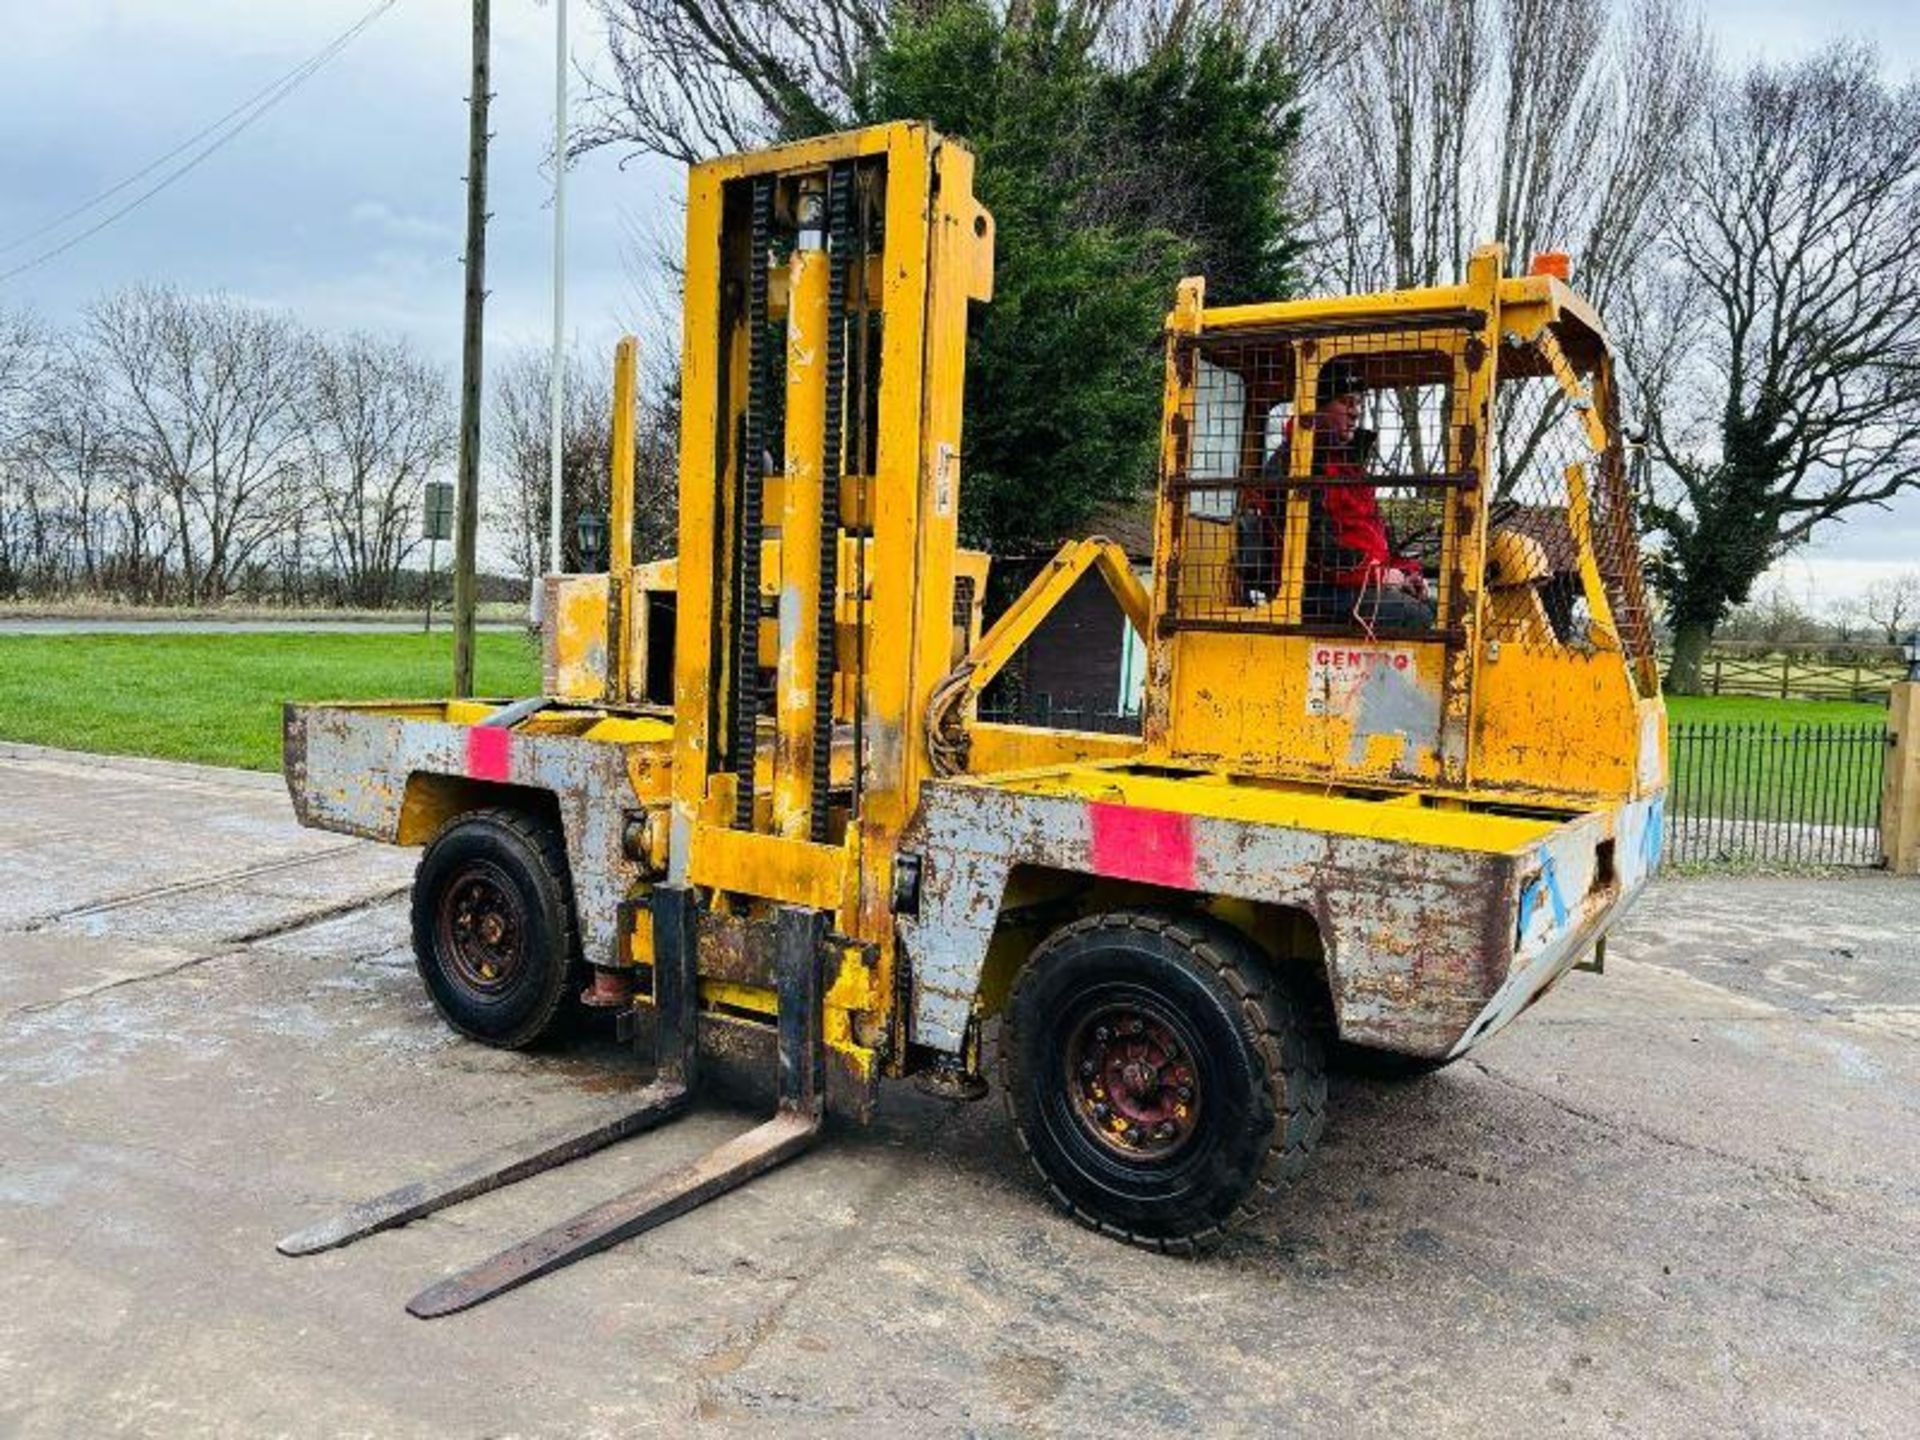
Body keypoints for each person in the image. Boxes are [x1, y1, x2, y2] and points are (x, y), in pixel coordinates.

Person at [1241, 357, 1434, 633]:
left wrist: (1406, 574)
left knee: (1439, 608)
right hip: (1316, 592)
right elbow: (1313, 547)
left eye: (1358, 403)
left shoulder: (1350, 467)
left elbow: (1377, 537)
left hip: (1356, 584)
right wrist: (1376, 574)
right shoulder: (1296, 465)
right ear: (1316, 407)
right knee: (1415, 616)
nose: (1355, 413)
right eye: (1345, 402)